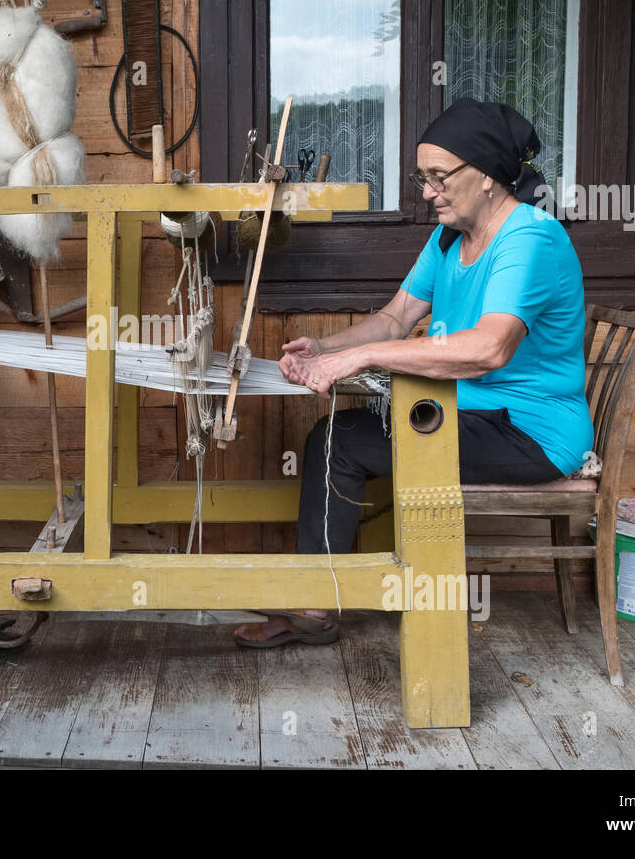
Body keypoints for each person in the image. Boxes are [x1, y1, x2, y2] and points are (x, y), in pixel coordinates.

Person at [235, 99, 593, 648]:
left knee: (340, 442)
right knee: (338, 438)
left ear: (491, 176)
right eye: (422, 178)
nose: (428, 193)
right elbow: (396, 316)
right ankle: (322, 596)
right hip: (474, 412)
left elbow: (490, 348)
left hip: (531, 433)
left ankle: (321, 603)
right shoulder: (450, 236)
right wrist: (325, 347)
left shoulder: (531, 239)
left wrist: (364, 358)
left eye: (439, 178)